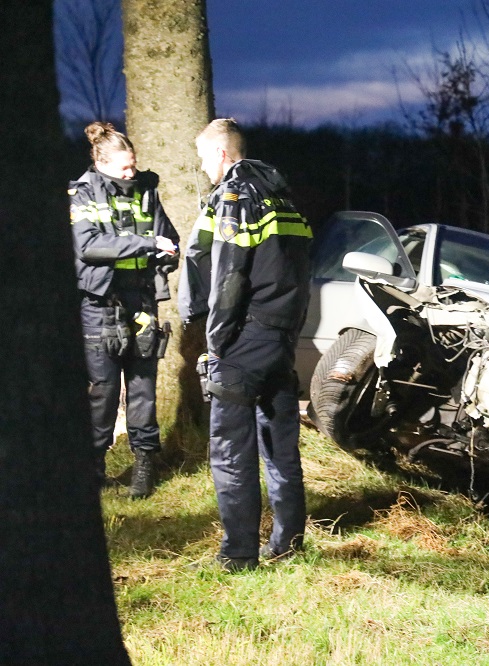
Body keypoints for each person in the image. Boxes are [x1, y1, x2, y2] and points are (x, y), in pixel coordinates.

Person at [178, 118, 312, 572]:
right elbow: (301, 276)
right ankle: (289, 541)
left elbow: (229, 275)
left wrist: (216, 340)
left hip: (242, 339)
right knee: (280, 447)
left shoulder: (233, 198)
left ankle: (238, 555)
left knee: (231, 451)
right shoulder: (285, 199)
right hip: (280, 339)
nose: (202, 166)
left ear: (220, 154)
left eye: (202, 157)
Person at [70, 121, 179, 498]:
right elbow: (89, 246)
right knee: (101, 389)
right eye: (124, 168)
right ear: (101, 162)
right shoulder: (82, 193)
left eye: (133, 164)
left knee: (142, 386)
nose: (132, 172)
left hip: (143, 302)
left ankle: (144, 466)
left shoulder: (147, 190)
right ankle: (93, 465)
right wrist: (147, 243)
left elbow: (168, 235)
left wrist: (167, 253)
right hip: (100, 306)